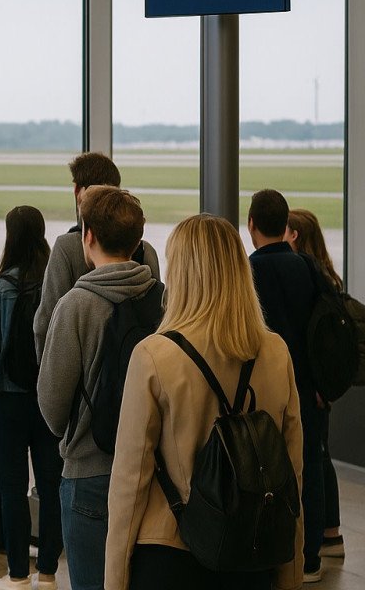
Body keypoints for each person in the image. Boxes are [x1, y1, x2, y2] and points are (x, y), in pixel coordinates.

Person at [106, 214, 303, 590]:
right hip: (251, 554)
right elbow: (291, 473)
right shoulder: (276, 353)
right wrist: (290, 574)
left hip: (170, 552)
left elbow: (129, 484)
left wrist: (114, 580)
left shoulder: (154, 355)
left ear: (181, 274)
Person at [38, 186, 159, 590]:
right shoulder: (164, 301)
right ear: (138, 241)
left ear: (87, 236)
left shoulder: (75, 306)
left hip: (91, 473)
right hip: (153, 472)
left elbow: (53, 409)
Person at [0, 207, 63, 590]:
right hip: (47, 396)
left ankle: (18, 575)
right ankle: (49, 573)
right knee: (51, 485)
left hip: (4, 398)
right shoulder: (55, 287)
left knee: (11, 488)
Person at [248, 189, 324, 582]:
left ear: (251, 225)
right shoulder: (306, 266)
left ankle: (268, 551)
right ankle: (310, 558)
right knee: (307, 467)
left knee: (263, 470)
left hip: (264, 388)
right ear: (284, 226)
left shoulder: (249, 271)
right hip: (307, 386)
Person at [33, 152, 160, 358]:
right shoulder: (146, 250)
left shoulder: (67, 246)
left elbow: (46, 321)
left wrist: (46, 364)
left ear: (78, 191)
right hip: (140, 362)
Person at [286, 208, 345, 562]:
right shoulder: (326, 276)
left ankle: (325, 535)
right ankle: (331, 533)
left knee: (315, 458)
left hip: (314, 387)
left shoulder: (307, 279)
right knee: (322, 455)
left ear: (294, 235)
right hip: (324, 384)